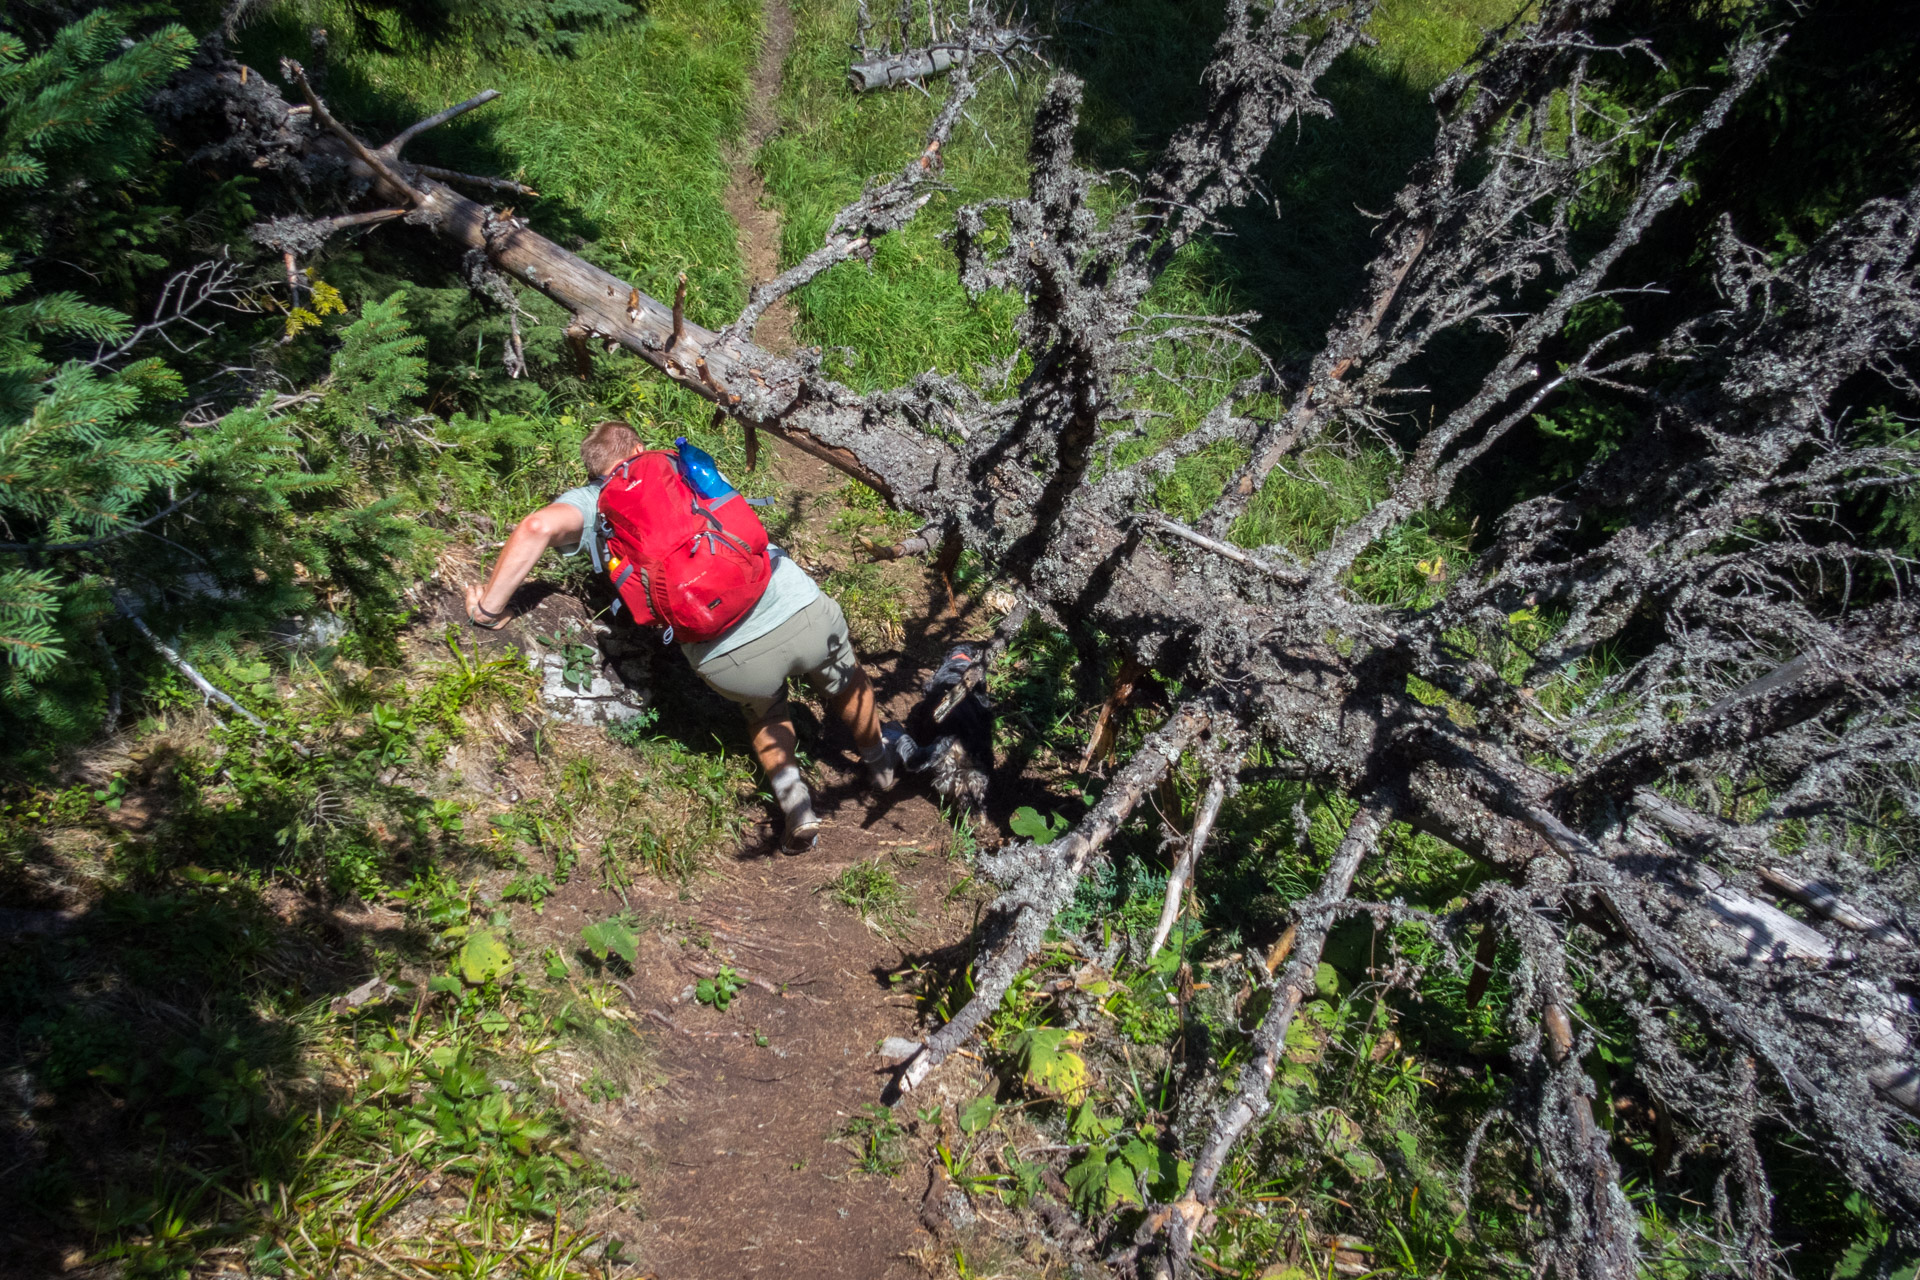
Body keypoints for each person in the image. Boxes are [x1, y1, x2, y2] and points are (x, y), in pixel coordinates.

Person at [465, 419, 896, 851]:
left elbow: (537, 527)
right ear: (638, 446)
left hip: (729, 658)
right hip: (798, 608)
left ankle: (798, 809)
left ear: (594, 470)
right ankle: (879, 765)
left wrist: (489, 609)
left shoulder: (594, 502)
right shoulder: (681, 465)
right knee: (844, 679)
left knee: (764, 713)